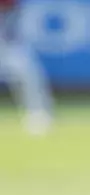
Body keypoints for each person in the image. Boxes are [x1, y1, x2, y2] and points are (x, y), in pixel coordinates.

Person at [0, 0, 54, 135]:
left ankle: (38, 114)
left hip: (8, 39)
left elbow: (12, 12)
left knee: (27, 71)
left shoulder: (11, 8)